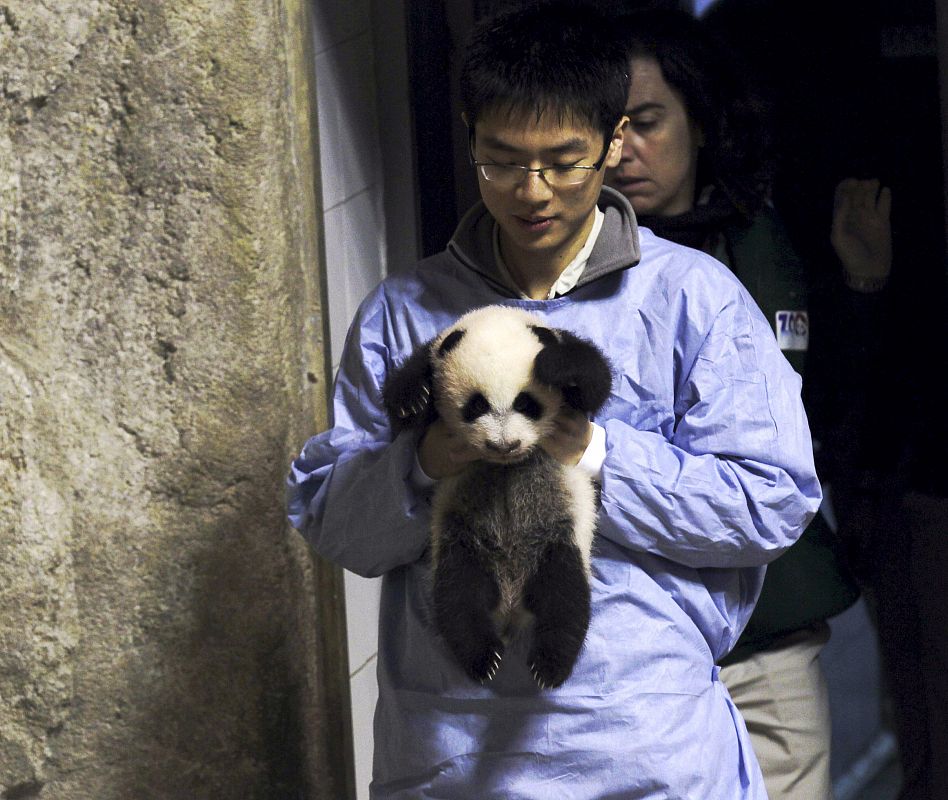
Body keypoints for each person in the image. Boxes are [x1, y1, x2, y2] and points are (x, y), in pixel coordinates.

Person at [287, 3, 820, 797]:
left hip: (644, 741)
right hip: (453, 749)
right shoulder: (405, 313)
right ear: (470, 137)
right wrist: (428, 459)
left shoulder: (693, 299)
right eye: (501, 161)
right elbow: (335, 526)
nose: (531, 192)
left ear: (611, 143)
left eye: (563, 161)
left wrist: (593, 452)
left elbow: (771, 502)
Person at [604, 10, 891, 800]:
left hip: (769, 641)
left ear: (699, 119)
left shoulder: (763, 237)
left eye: (648, 122)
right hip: (627, 653)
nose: (623, 150)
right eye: (606, 126)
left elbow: (826, 415)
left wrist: (860, 286)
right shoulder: (566, 261)